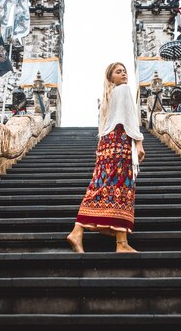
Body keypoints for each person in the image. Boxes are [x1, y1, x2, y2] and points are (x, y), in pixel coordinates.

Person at [66, 62, 146, 253]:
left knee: (104, 186)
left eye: (124, 71)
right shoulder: (123, 90)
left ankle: (115, 241)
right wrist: (139, 142)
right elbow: (130, 119)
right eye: (119, 72)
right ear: (111, 77)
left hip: (106, 145)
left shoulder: (108, 97)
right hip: (119, 142)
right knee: (121, 187)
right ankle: (118, 243)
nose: (124, 74)